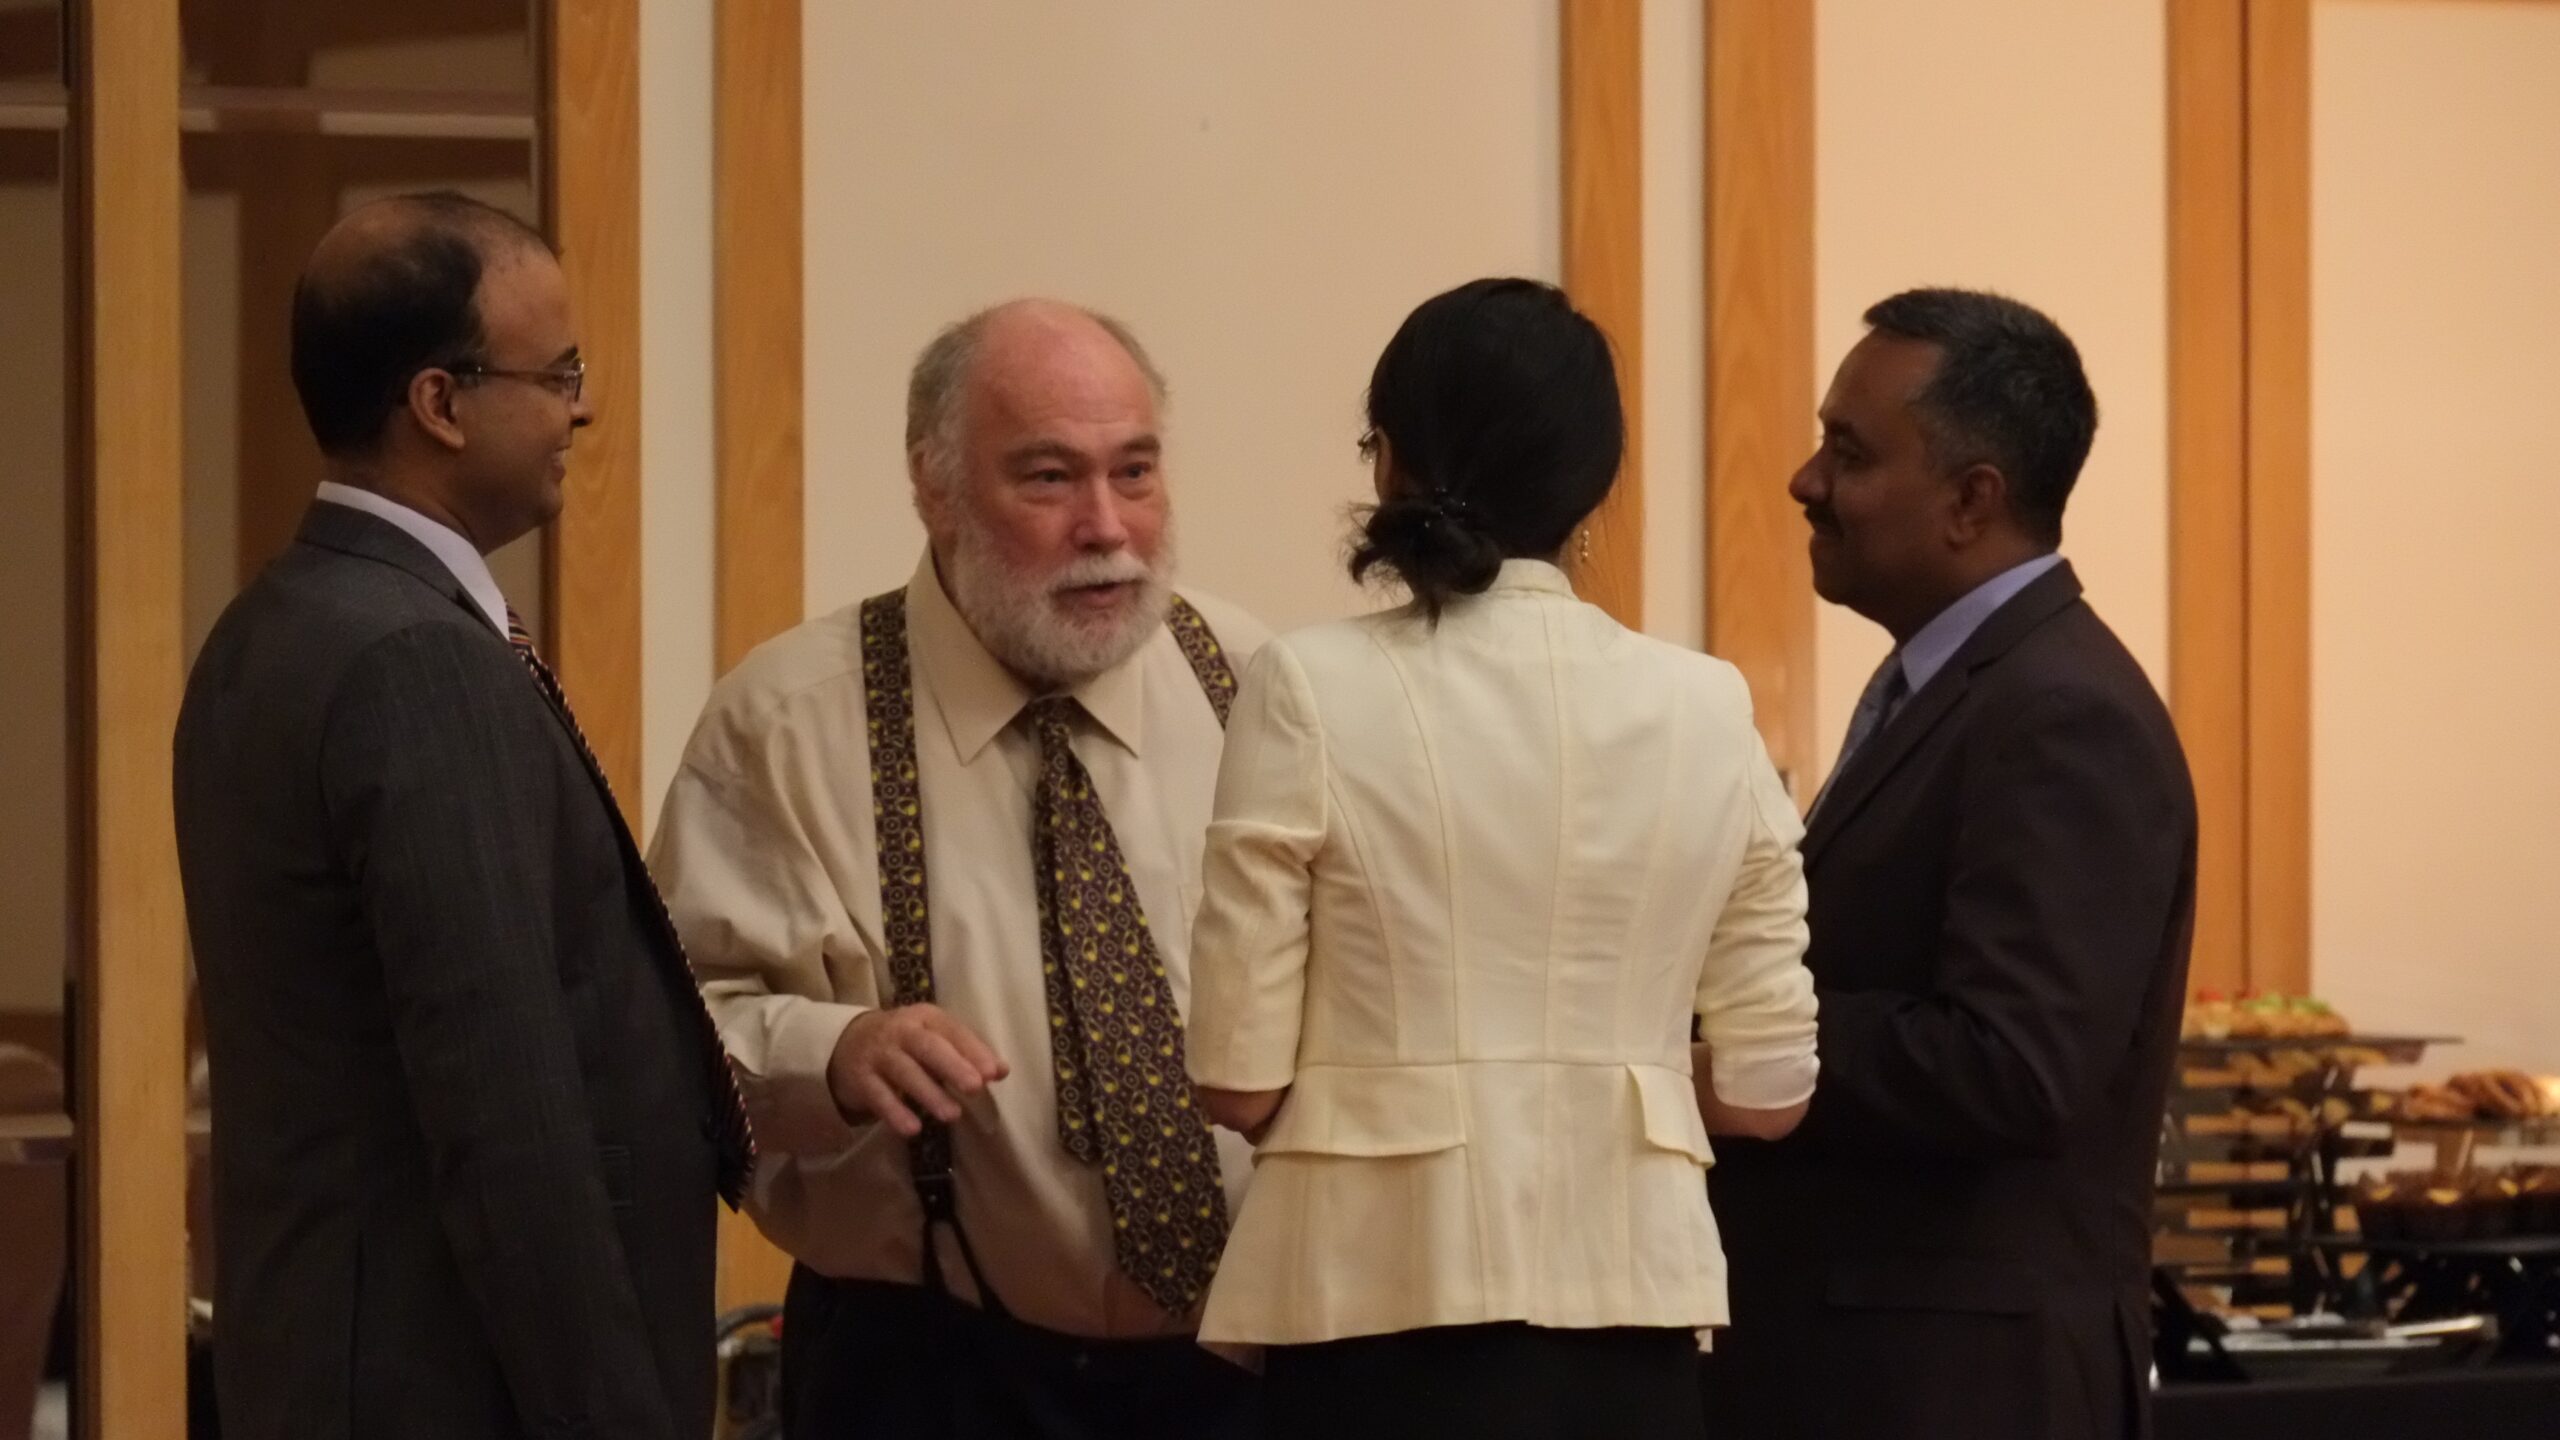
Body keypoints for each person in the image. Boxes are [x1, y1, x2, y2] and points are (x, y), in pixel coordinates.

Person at [1181, 278, 1822, 1440]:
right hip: (1632, 1305)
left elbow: (1239, 1079)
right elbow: (1768, 1092)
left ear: (1394, 462)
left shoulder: (1308, 685)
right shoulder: (1709, 705)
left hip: (1366, 1304)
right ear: (1592, 486)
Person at [172, 191, 752, 1440]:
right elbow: (505, 1113)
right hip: (449, 1386)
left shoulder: (266, 627)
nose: (582, 410)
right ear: (439, 403)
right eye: (559, 375)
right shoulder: (415, 663)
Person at [650, 299, 1270, 1438]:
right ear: (933, 488)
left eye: (1134, 472)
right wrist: (834, 1054)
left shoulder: (1248, 680)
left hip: (1248, 1378)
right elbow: (663, 1040)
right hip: (928, 1377)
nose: (1106, 527)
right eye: (1049, 478)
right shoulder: (786, 723)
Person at [1698, 288, 2197, 1439]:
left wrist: (1737, 1044)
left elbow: (2011, 1063)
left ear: (1972, 500)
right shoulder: (1965, 690)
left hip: (1959, 1387)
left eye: (1849, 453)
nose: (1804, 481)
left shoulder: (2061, 712)